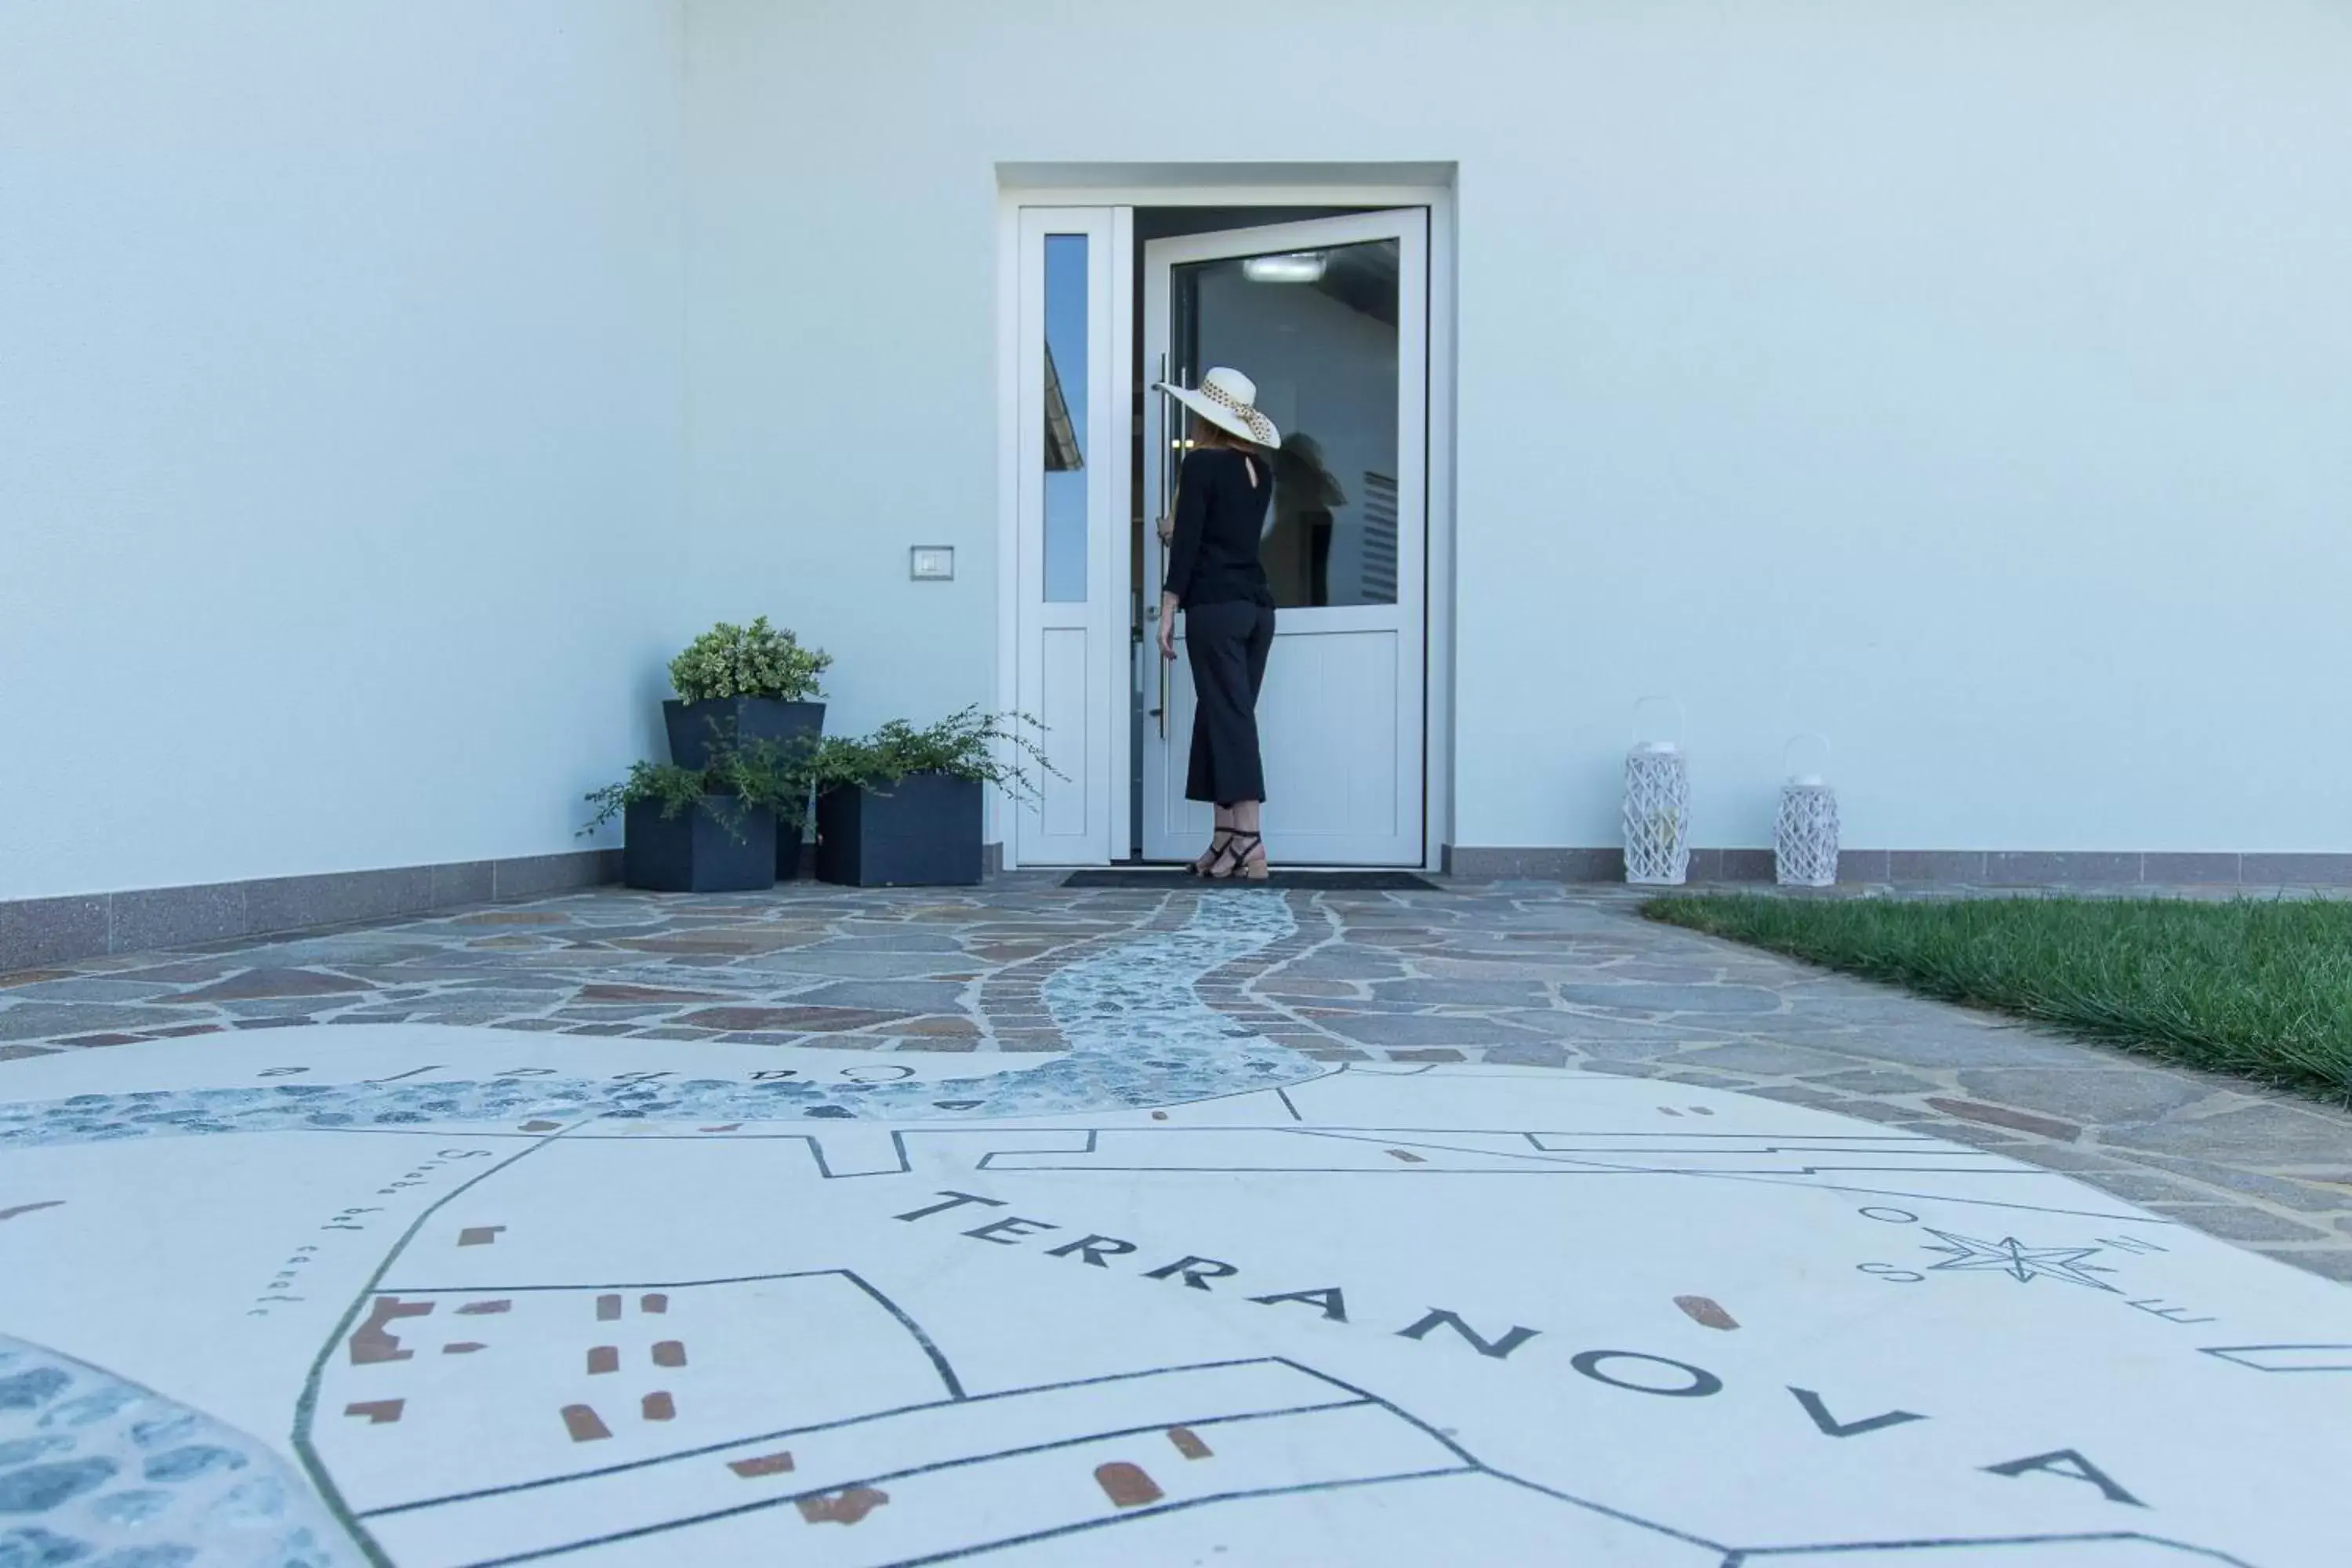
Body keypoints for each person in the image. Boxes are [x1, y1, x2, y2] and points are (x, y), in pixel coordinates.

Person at [1155, 366, 1280, 881]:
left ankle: (1249, 839)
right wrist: (1179, 527)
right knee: (1220, 716)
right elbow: (1228, 536)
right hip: (1255, 608)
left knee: (1228, 719)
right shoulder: (1260, 471)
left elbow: (1190, 546)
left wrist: (1167, 608)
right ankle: (1224, 840)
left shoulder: (1202, 465)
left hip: (1216, 608)